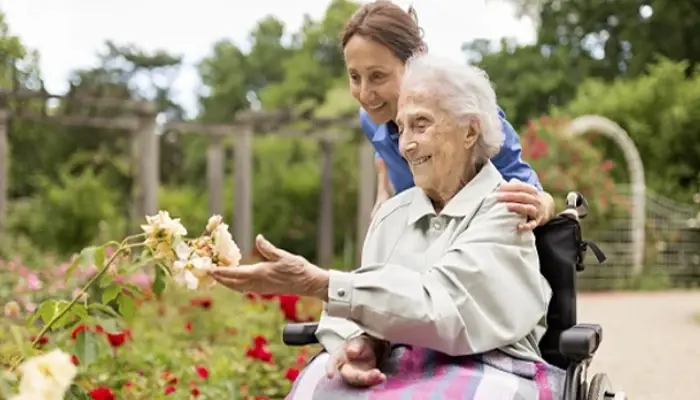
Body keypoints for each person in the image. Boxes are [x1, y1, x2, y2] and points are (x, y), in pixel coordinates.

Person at [211, 53, 566, 399]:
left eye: (421, 124)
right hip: (396, 367)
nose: (407, 145)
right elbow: (361, 305)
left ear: (470, 131)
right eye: (401, 127)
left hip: (491, 365)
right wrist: (361, 341)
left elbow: (443, 310)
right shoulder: (391, 215)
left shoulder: (507, 207)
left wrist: (319, 282)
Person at [346, 0, 554, 231]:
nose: (365, 94)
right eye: (355, 77)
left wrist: (544, 205)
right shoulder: (372, 119)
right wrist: (382, 193)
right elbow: (382, 152)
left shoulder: (468, 116)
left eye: (377, 76)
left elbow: (532, 191)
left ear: (416, 60)